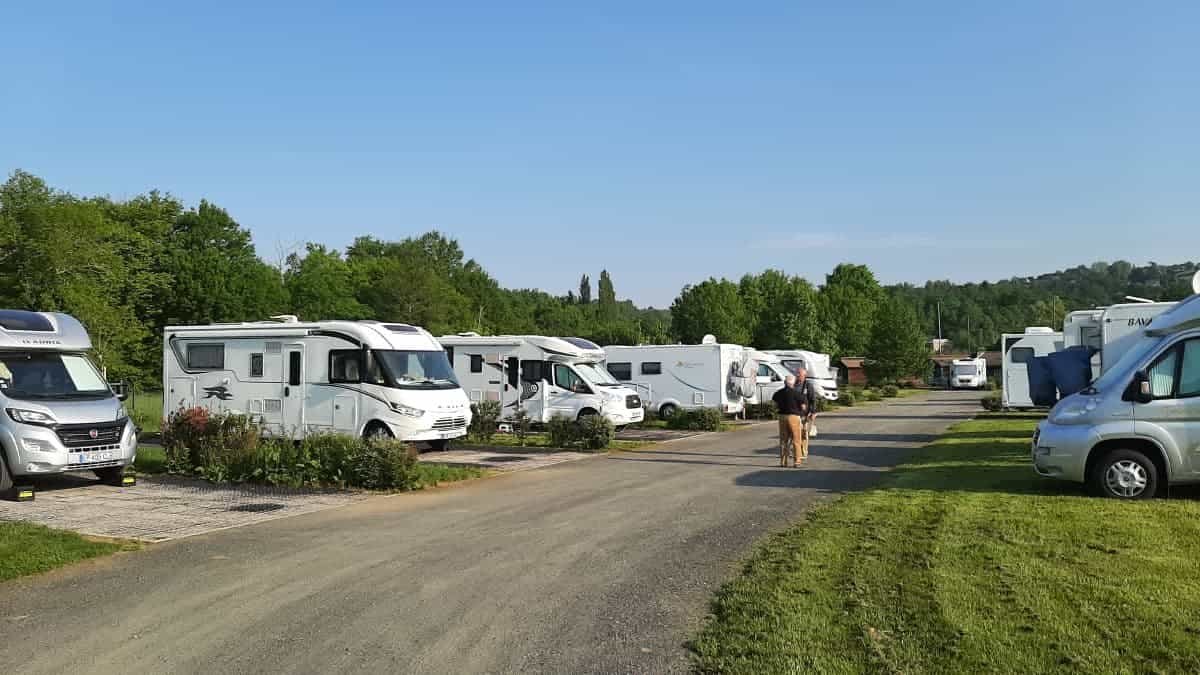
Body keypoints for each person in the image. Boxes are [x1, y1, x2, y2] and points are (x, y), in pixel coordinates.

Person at [772, 375, 803, 467]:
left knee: (783, 440)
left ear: (784, 383)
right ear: (793, 383)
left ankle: (783, 461)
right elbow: (803, 406)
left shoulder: (779, 393)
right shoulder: (796, 393)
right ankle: (797, 461)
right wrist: (801, 413)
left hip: (782, 417)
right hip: (793, 416)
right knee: (796, 439)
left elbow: (774, 402)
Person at [793, 367, 820, 464]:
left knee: (804, 433)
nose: (797, 375)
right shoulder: (794, 384)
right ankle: (797, 451)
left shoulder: (808, 385)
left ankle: (803, 452)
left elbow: (812, 399)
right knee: (795, 433)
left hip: (805, 414)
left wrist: (813, 412)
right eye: (797, 373)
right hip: (794, 413)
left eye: (799, 374)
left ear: (804, 375)